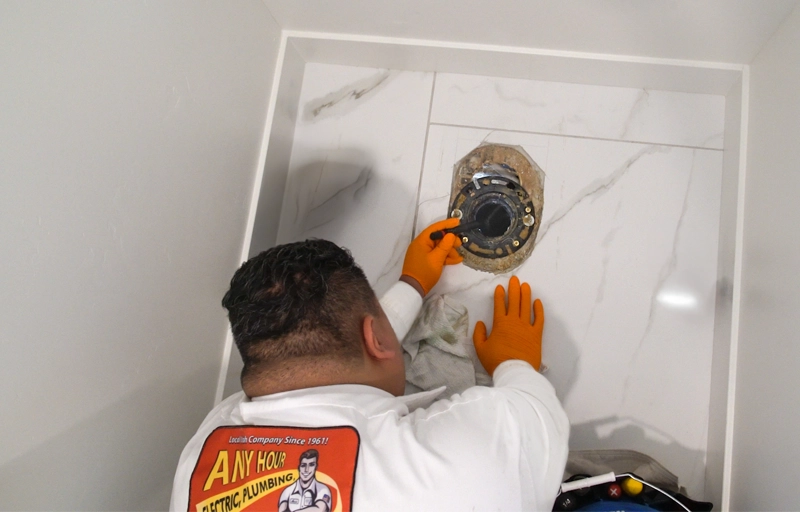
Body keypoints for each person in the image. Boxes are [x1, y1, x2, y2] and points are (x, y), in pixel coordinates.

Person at [170, 218, 569, 511]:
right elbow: (536, 421)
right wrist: (516, 362)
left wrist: (411, 286)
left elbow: (328, 355)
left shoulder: (204, 457)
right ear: (376, 339)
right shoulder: (450, 465)